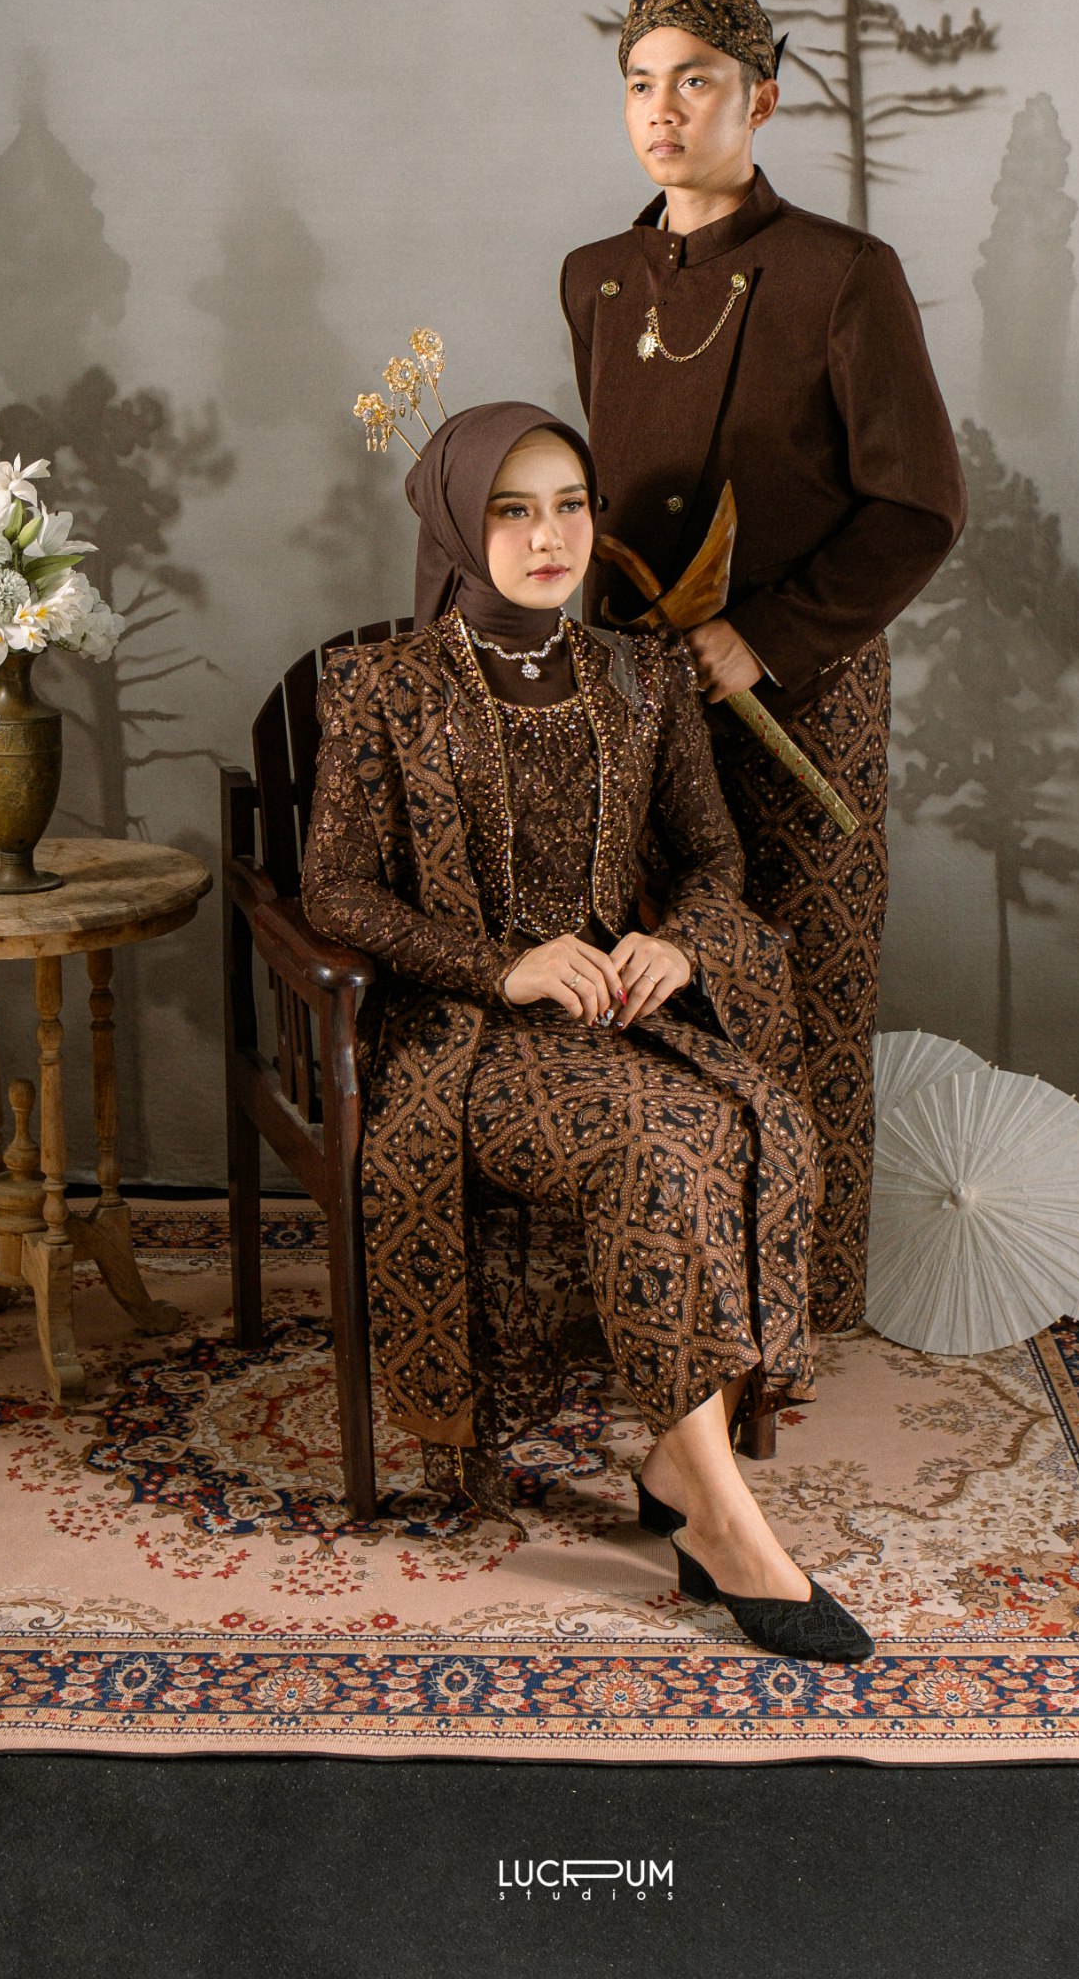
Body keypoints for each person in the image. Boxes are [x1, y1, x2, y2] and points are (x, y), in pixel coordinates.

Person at [301, 399, 872, 1662]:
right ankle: (723, 1526)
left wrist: (681, 943)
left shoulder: (640, 675)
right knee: (659, 1149)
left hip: (621, 1013)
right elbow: (334, 891)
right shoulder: (385, 688)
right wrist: (500, 967)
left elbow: (712, 855)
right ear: (459, 522)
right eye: (512, 510)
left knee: (757, 1119)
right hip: (464, 1037)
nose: (549, 536)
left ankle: (675, 1471)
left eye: (569, 506)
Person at [562, 0, 967, 1330]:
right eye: (640, 83)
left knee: (802, 977)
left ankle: (805, 1297)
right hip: (637, 691)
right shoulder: (595, 277)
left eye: (695, 82)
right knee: (648, 967)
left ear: (762, 100)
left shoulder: (843, 275)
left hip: (801, 690)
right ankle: (671, 1286)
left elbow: (919, 505)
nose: (663, 110)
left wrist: (767, 638)